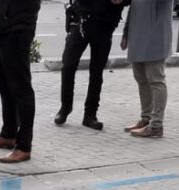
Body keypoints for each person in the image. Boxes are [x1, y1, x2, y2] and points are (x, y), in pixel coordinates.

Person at [0, 0, 42, 163]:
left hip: (17, 25)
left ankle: (24, 146)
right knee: (4, 85)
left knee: (20, 87)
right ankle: (8, 134)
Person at [55, 0, 123, 131]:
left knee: (96, 72)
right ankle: (65, 106)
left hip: (104, 24)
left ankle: (90, 114)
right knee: (68, 65)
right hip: (80, 20)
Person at [120, 0, 172, 138]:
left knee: (156, 80)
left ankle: (156, 125)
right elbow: (133, 7)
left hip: (155, 34)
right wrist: (126, 33)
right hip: (137, 34)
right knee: (141, 78)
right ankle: (146, 119)